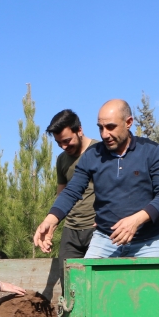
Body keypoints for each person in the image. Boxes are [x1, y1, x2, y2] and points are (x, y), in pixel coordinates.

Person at [33, 99, 159, 258]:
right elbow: (71, 191)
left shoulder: (152, 151)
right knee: (84, 282)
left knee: (150, 284)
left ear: (128, 122)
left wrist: (136, 220)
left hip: (147, 242)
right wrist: (50, 220)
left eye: (110, 127)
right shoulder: (92, 155)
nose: (104, 134)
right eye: (100, 128)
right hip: (104, 240)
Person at [46, 109, 98, 263]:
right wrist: (51, 228)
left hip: (98, 228)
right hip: (71, 230)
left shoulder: (100, 151)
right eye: (58, 143)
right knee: (67, 280)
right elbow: (62, 196)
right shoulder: (62, 159)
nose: (63, 146)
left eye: (67, 140)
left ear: (79, 130)